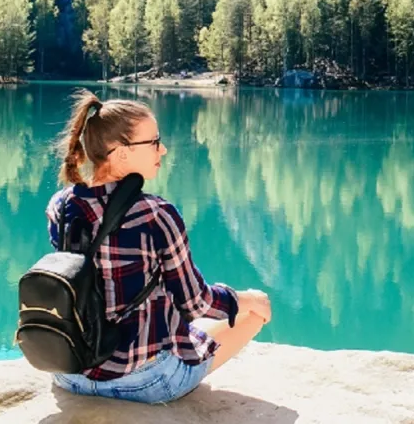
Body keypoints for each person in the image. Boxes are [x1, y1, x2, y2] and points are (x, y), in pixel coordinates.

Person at [46, 89, 271, 404]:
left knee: (191, 323)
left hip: (69, 372)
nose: (162, 149)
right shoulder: (156, 214)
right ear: (121, 153)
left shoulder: (61, 205)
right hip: (143, 381)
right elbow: (197, 304)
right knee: (254, 313)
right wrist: (248, 299)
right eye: (153, 142)